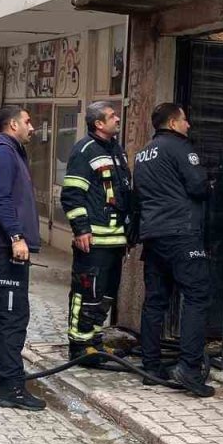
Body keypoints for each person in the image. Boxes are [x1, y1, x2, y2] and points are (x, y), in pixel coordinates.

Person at [132, 103, 215, 397]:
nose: (189, 125)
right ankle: (189, 369)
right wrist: (211, 184)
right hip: (182, 234)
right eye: (184, 120)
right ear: (172, 122)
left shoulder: (143, 153)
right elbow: (197, 186)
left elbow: (138, 195)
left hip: (154, 236)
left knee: (155, 301)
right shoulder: (180, 148)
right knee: (196, 296)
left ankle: (150, 367)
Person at [0, 106, 46, 411]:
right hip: (5, 250)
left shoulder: (1, 151)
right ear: (13, 125)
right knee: (12, 318)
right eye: (28, 121)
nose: (33, 126)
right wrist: (16, 236)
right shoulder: (3, 152)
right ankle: (12, 388)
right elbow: (1, 198)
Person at [59, 101, 133, 366]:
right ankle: (79, 347)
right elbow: (71, 193)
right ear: (98, 124)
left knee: (106, 294)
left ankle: (95, 342)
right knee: (86, 292)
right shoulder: (85, 151)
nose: (117, 119)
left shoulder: (116, 150)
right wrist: (81, 229)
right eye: (112, 116)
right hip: (94, 240)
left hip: (115, 240)